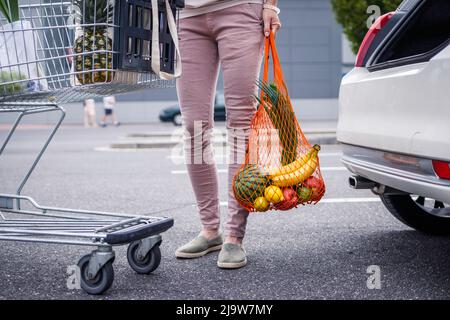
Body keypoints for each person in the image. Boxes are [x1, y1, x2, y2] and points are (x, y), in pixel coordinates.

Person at [175, 0, 282, 269]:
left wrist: (270, 5)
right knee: (193, 127)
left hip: (240, 9)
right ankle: (210, 231)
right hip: (186, 16)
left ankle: (234, 235)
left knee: (240, 124)